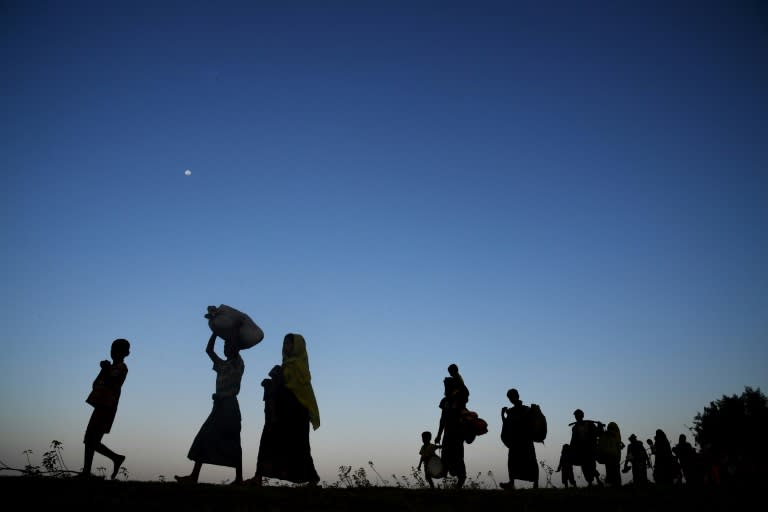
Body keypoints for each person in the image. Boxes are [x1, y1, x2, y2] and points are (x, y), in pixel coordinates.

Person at [246, 333, 321, 487]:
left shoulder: (300, 366)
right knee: (269, 441)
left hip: (297, 413)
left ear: (297, 346)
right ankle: (258, 476)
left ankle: (313, 479)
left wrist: (278, 381)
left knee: (299, 447)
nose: (286, 346)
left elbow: (299, 389)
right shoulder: (286, 365)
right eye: (285, 343)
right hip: (282, 411)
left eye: (289, 344)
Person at [175, 332, 245, 484]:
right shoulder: (221, 364)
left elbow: (234, 344)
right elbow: (209, 350)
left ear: (237, 348)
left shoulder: (238, 363)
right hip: (218, 407)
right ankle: (194, 476)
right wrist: (215, 332)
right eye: (225, 345)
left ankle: (239, 478)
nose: (226, 348)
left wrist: (235, 329)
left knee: (232, 442)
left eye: (229, 345)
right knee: (205, 437)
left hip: (230, 407)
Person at [81, 338, 131, 479]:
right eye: (112, 349)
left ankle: (115, 458)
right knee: (90, 439)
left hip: (107, 407)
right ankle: (88, 471)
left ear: (125, 353)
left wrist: (105, 369)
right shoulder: (109, 368)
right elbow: (95, 384)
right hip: (100, 406)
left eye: (117, 350)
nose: (113, 352)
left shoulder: (122, 368)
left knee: (91, 440)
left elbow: (112, 383)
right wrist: (103, 370)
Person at [499, 388, 539, 490]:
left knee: (530, 461)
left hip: (525, 440)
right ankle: (511, 483)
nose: (511, 399)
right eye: (509, 398)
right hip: (515, 441)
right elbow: (507, 425)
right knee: (512, 461)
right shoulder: (511, 412)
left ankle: (536, 483)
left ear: (517, 396)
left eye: (512, 397)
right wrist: (502, 415)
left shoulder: (526, 409)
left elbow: (528, 423)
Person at [435, 376, 467, 488]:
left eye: (448, 386)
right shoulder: (444, 401)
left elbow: (465, 391)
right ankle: (447, 475)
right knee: (445, 455)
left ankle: (461, 479)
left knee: (457, 456)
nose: (446, 388)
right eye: (445, 386)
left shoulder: (460, 399)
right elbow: (442, 419)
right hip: (447, 434)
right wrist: (439, 435)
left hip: (457, 434)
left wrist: (456, 375)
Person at [569, 409, 602, 486]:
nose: (577, 417)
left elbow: (598, 433)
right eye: (576, 416)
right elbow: (573, 440)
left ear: (582, 416)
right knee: (585, 466)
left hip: (590, 448)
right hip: (581, 449)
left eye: (578, 415)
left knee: (591, 465)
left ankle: (597, 480)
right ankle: (590, 482)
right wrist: (571, 449)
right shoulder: (575, 428)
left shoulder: (590, 425)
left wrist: (599, 426)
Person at [597, 421, 624, 487]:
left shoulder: (613, 434)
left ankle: (616, 485)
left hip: (613, 456)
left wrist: (601, 427)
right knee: (610, 471)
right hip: (610, 456)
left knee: (614, 471)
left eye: (611, 427)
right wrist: (600, 427)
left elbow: (603, 433)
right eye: (609, 427)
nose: (610, 429)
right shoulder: (607, 435)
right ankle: (613, 485)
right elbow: (599, 434)